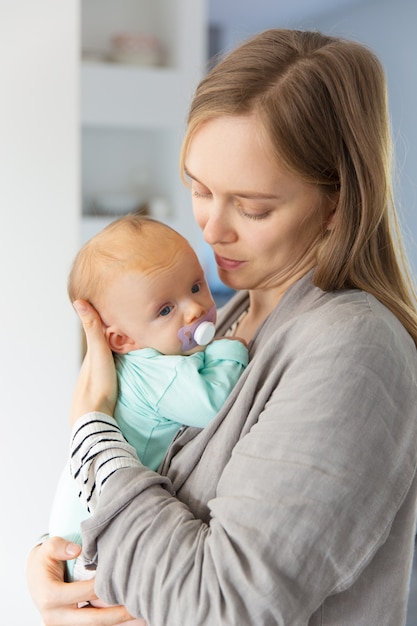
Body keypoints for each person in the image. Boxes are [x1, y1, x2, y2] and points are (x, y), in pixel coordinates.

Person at [27, 28, 417, 626]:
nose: (211, 229)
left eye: (253, 207)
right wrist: (54, 564)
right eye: (199, 189)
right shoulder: (235, 310)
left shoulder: (352, 350)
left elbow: (222, 605)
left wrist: (93, 433)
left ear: (337, 201)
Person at [48, 214, 248, 601]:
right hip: (94, 538)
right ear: (122, 339)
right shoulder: (160, 373)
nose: (194, 310)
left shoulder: (154, 355)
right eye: (165, 310)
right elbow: (216, 403)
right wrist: (231, 347)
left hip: (78, 523)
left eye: (195, 285)